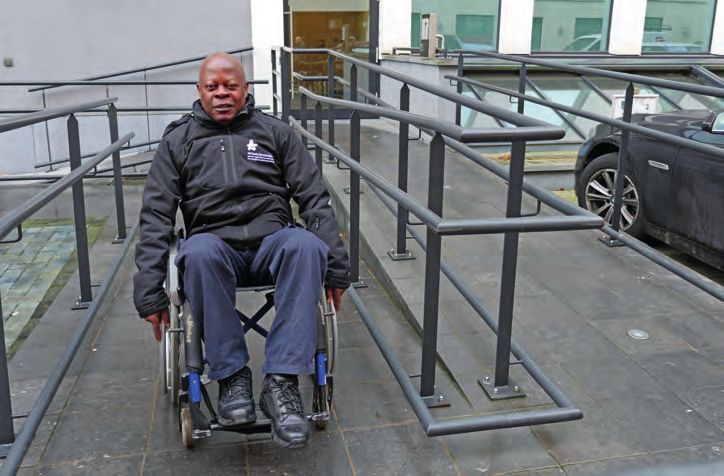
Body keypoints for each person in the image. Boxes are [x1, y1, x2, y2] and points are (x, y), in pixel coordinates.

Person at [133, 52, 350, 448]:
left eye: (230, 86)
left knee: (305, 245)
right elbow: (155, 216)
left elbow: (314, 199)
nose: (222, 94)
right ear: (199, 91)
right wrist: (150, 292)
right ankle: (232, 376)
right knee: (196, 253)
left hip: (272, 241)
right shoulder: (177, 141)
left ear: (245, 89)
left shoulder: (275, 132)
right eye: (212, 87)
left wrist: (336, 269)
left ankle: (281, 382)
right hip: (214, 246)